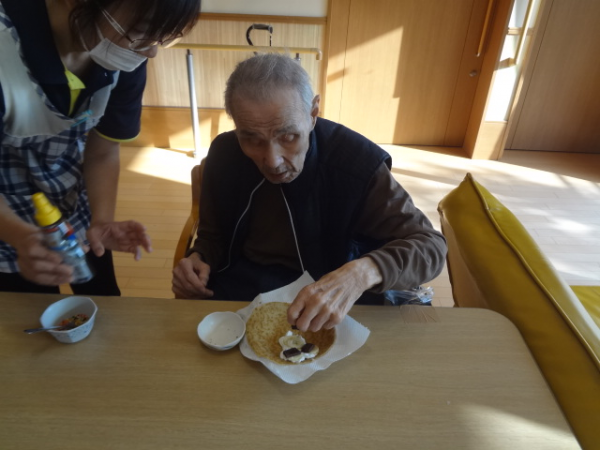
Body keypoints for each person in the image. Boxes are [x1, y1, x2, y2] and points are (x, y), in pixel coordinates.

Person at [172, 53, 447, 331]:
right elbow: (213, 235)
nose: (272, 161)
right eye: (252, 139)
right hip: (245, 281)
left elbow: (431, 245)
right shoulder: (225, 153)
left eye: (288, 136)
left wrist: (362, 272)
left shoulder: (356, 163)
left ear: (313, 113)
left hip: (329, 284)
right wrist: (199, 258)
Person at [0, 0, 201, 295]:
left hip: (75, 200)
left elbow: (103, 149)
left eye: (162, 38)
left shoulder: (119, 54)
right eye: (141, 31)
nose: (150, 52)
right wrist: (21, 237)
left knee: (102, 296)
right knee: (31, 308)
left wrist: (102, 220)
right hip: (7, 219)